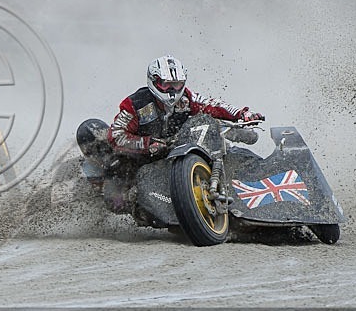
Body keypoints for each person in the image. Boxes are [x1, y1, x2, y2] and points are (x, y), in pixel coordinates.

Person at [76, 55, 264, 210]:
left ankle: (254, 182)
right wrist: (148, 144)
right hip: (140, 160)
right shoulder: (135, 104)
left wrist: (241, 114)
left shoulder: (186, 99)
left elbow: (212, 104)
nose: (172, 90)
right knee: (117, 202)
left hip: (178, 149)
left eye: (177, 84)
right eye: (166, 85)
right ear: (154, 82)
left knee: (223, 137)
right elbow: (117, 135)